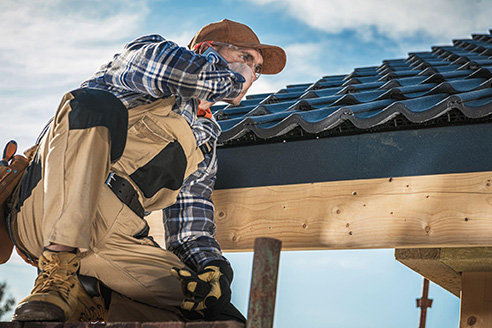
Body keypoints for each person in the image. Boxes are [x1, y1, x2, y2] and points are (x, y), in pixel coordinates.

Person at [6, 19, 286, 323]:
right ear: (206, 50)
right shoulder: (148, 55)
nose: (252, 74)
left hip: (119, 239)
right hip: (48, 207)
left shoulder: (205, 141)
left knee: (212, 311)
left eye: (256, 69)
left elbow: (189, 232)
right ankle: (57, 272)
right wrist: (232, 77)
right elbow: (181, 71)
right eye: (245, 57)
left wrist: (215, 267)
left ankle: (89, 293)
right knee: (91, 106)